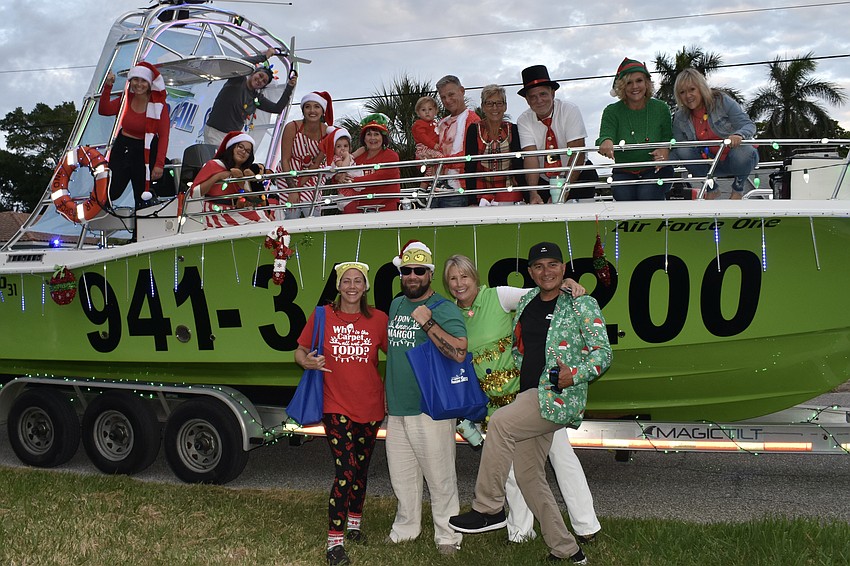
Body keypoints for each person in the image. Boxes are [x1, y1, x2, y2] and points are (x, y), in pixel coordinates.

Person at [449, 242, 612, 564]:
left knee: (500, 423)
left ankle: (488, 508)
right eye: (539, 266)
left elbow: (603, 354)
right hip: (529, 392)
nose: (546, 271)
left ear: (564, 268)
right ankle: (567, 550)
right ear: (531, 272)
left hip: (557, 395)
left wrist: (574, 374)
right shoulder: (526, 302)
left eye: (553, 265)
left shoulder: (583, 304)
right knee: (528, 477)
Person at [295, 261, 388, 566]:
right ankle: (334, 542)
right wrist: (306, 361)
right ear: (338, 286)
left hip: (371, 406)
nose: (351, 286)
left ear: (366, 287)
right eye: (346, 281)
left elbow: (398, 353)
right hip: (335, 404)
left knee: (361, 469)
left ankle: (355, 524)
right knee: (346, 468)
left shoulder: (379, 319)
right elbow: (300, 350)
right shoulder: (323, 315)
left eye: (358, 281)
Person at [384, 240, 466, 555]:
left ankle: (448, 536)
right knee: (402, 476)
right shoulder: (396, 304)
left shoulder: (443, 308)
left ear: (430, 274)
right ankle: (407, 528)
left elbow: (459, 352)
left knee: (440, 477)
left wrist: (427, 322)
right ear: (401, 274)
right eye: (407, 271)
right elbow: (394, 353)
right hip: (398, 407)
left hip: (430, 408)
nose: (413, 276)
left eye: (420, 271)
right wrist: (386, 391)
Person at [670, 68, 759, 200]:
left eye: (692, 89)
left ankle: (737, 190)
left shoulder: (721, 101)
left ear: (701, 88)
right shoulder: (680, 117)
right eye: (682, 92)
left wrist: (739, 135)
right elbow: (678, 147)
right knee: (683, 149)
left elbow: (749, 125)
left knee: (744, 151)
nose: (688, 96)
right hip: (707, 163)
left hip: (734, 159)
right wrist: (660, 161)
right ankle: (711, 189)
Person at [596, 58, 674, 201]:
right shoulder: (612, 111)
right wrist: (606, 141)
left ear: (646, 83)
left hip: (656, 169)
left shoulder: (661, 108)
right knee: (623, 198)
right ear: (622, 86)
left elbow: (669, 139)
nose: (635, 86)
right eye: (629, 82)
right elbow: (604, 136)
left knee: (647, 194)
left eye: (639, 81)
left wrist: (665, 149)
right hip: (624, 170)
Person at [98, 62, 170, 209]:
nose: (139, 84)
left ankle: (140, 232)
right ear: (130, 81)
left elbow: (164, 136)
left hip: (146, 151)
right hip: (123, 147)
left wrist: (159, 165)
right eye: (135, 79)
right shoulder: (126, 99)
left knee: (143, 197)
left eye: (143, 80)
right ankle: (100, 221)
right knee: (112, 190)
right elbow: (104, 110)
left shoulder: (158, 106)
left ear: (150, 84)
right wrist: (108, 86)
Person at [517, 65, 589, 204]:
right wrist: (533, 192)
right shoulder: (523, 120)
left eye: (543, 94)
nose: (539, 100)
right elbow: (530, 158)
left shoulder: (570, 110)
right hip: (543, 179)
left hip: (576, 174)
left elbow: (577, 153)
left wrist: (565, 190)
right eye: (533, 97)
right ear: (527, 100)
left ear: (553, 93)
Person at [204, 48, 297, 146]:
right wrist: (264, 57)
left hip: (232, 138)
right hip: (214, 133)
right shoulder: (238, 80)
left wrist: (289, 87)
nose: (260, 80)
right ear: (253, 73)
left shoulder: (256, 98)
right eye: (260, 75)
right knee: (216, 161)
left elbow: (277, 108)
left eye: (264, 81)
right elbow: (241, 62)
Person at [190, 131, 269, 228]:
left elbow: (253, 198)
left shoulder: (245, 171)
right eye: (240, 147)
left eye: (248, 151)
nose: (243, 151)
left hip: (240, 211)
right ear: (232, 147)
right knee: (261, 223)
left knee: (264, 220)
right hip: (217, 214)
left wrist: (244, 180)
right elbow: (194, 193)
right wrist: (218, 177)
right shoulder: (214, 164)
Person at [463, 85, 525, 205]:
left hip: (509, 193)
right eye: (489, 103)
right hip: (481, 195)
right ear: (483, 107)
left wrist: (527, 196)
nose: (495, 108)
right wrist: (471, 201)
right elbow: (470, 166)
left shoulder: (513, 129)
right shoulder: (474, 130)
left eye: (499, 103)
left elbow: (518, 166)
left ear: (505, 106)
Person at [275, 91, 333, 218]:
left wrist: (298, 189)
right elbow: (285, 160)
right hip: (289, 173)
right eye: (308, 106)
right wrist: (292, 189)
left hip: (313, 174)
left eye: (316, 106)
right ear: (303, 110)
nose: (312, 111)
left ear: (322, 110)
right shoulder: (292, 127)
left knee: (311, 212)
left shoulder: (327, 132)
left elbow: (317, 163)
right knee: (292, 213)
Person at [336, 114, 400, 214]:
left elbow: (380, 177)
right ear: (364, 138)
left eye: (376, 134)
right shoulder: (357, 157)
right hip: (359, 209)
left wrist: (351, 181)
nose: (372, 138)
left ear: (383, 137)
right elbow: (339, 174)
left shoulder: (391, 156)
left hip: (386, 208)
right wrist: (339, 177)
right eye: (369, 134)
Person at [434, 75, 481, 207]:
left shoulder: (473, 120)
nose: (447, 100)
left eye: (451, 94)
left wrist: (440, 159)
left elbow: (470, 156)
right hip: (436, 189)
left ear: (462, 91)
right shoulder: (441, 123)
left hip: (459, 190)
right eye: (443, 97)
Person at [412, 96, 442, 190]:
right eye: (423, 110)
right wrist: (434, 145)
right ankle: (427, 187)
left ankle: (426, 188)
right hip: (424, 149)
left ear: (436, 111)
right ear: (418, 112)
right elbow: (423, 137)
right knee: (442, 158)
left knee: (430, 170)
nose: (427, 112)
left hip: (431, 148)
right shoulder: (419, 124)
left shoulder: (436, 123)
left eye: (430, 109)